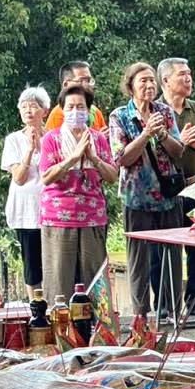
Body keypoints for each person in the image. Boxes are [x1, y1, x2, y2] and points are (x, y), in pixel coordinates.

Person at [110, 61, 185, 321]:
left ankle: (173, 311)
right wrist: (145, 134)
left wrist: (162, 134)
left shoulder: (164, 111)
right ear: (130, 86)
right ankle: (141, 316)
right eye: (143, 81)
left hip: (167, 196)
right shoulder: (119, 116)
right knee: (138, 259)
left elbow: (179, 152)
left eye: (152, 80)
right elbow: (121, 158)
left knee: (172, 256)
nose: (149, 85)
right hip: (136, 197)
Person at [39, 85, 117, 304]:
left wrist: (93, 157)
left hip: (92, 215)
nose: (75, 111)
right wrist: (72, 158)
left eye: (80, 106)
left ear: (88, 110)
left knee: (95, 279)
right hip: (58, 216)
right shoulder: (51, 139)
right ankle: (59, 330)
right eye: (70, 106)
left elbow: (112, 176)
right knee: (58, 279)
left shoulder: (98, 139)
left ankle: (97, 329)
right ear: (62, 110)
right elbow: (46, 177)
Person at [158, 57, 195, 317]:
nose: (188, 78)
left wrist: (192, 142)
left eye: (189, 73)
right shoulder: (156, 111)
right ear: (166, 80)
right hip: (168, 189)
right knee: (168, 248)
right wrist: (179, 141)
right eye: (182, 74)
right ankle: (166, 303)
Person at [1, 87, 49, 296]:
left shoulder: (54, 137)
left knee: (53, 261)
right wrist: (29, 150)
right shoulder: (13, 139)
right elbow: (19, 178)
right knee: (31, 262)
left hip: (51, 209)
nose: (28, 110)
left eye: (34, 106)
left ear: (45, 111)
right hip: (26, 210)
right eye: (24, 106)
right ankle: (35, 306)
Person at [45, 61, 107, 131]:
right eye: (82, 81)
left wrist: (100, 138)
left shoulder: (95, 112)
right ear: (66, 85)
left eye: (89, 80)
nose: (88, 85)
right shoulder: (57, 115)